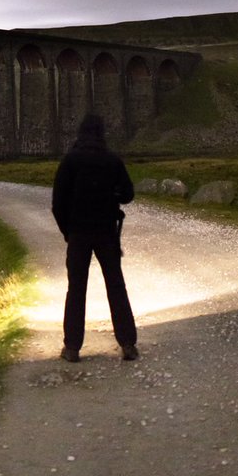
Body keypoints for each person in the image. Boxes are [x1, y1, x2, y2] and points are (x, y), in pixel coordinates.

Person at [51, 113, 139, 361]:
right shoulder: (112, 161)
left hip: (78, 233)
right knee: (116, 286)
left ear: (81, 132)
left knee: (76, 288)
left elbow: (58, 203)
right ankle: (128, 344)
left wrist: (68, 231)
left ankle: (72, 347)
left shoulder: (70, 161)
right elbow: (128, 194)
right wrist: (113, 195)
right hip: (106, 232)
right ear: (101, 133)